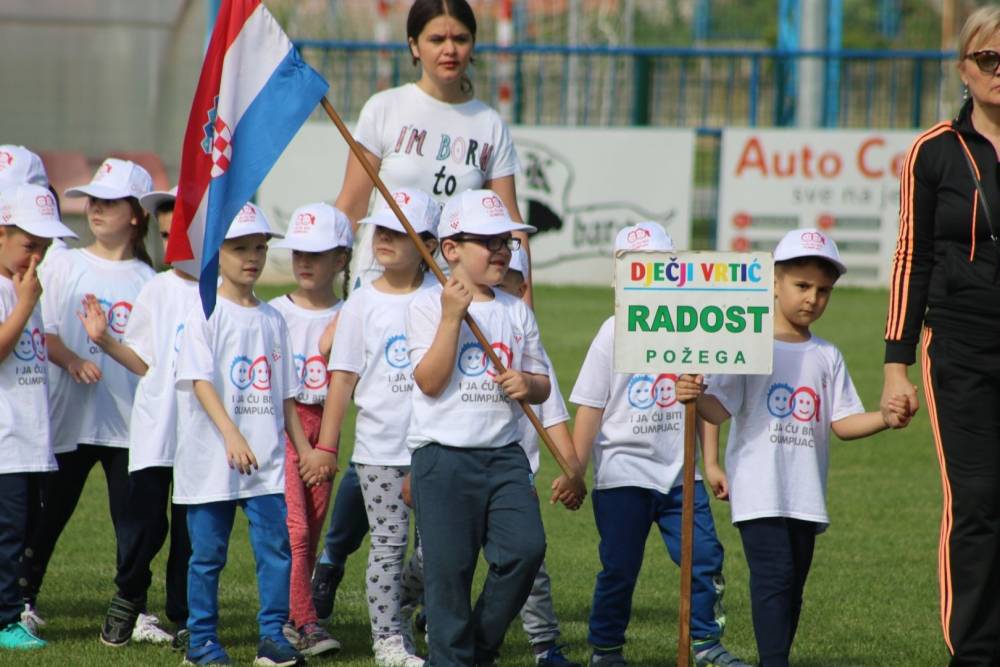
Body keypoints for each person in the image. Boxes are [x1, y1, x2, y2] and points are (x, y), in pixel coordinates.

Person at [679, 229, 910, 667]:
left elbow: (842, 422)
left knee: (793, 588)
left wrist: (885, 417)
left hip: (805, 495)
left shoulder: (828, 355)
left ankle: (776, 658)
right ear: (774, 283)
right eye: (802, 286)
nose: (812, 299)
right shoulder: (749, 343)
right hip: (758, 488)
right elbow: (718, 410)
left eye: (823, 291)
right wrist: (693, 394)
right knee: (774, 579)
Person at [568, 222, 748, 667]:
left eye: (657, 266)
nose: (645, 276)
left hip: (681, 474)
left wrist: (711, 461)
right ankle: (606, 649)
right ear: (619, 274)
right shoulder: (613, 331)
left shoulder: (692, 326)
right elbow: (591, 406)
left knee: (704, 557)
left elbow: (709, 409)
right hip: (622, 474)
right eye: (634, 267)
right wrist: (573, 470)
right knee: (620, 568)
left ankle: (706, 644)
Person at [881, 7, 1000, 664]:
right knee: (978, 499)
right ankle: (976, 651)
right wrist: (896, 364)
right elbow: (911, 257)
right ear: (964, 67)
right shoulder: (933, 151)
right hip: (960, 347)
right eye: (989, 59)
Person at [172, 203, 334, 666]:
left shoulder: (272, 318)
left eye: (260, 248)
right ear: (217, 253)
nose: (252, 257)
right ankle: (201, 640)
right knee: (207, 555)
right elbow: (199, 380)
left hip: (265, 462)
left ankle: (272, 637)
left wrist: (303, 450)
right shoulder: (204, 309)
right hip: (211, 459)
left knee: (275, 551)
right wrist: (230, 435)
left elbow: (284, 394)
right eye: (240, 247)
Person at [406, 188, 547, 666]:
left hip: (504, 455)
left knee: (526, 550)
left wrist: (527, 383)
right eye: (488, 241)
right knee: (449, 576)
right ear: (451, 249)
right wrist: (451, 319)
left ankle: (480, 645)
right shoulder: (427, 305)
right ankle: (451, 656)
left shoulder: (516, 310)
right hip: (443, 456)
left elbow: (543, 383)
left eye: (506, 240)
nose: (502, 250)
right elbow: (428, 381)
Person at [20, 158, 156, 634]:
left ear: (137, 214)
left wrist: (106, 345)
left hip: (126, 425)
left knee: (134, 524)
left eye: (110, 201)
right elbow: (45, 332)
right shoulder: (65, 262)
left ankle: (134, 606)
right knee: (47, 516)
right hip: (70, 421)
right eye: (93, 199)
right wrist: (73, 361)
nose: (95, 208)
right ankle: (23, 600)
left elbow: (151, 357)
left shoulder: (149, 281)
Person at [318, 188, 440, 667]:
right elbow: (342, 376)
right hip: (378, 449)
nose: (383, 239)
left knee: (437, 553)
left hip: (435, 446)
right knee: (388, 545)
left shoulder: (442, 299)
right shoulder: (362, 302)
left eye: (398, 231)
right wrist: (327, 446)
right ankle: (388, 640)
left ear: (426, 242)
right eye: (379, 230)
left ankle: (401, 603)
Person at [333, 0, 527, 291]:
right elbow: (349, 209)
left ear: (473, 44)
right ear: (414, 46)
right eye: (436, 39)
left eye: (460, 39)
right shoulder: (384, 108)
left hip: (457, 291)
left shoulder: (490, 123)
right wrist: (331, 292)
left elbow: (511, 224)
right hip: (380, 284)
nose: (450, 49)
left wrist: (525, 311)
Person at [76, 186, 196, 647]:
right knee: (144, 523)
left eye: (181, 234)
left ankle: (187, 616)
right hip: (156, 428)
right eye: (165, 235)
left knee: (191, 531)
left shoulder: (221, 292)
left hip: (200, 433)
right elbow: (145, 362)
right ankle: (128, 595)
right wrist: (105, 340)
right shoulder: (157, 289)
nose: (172, 245)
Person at [495, 248, 586, 667]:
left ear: (522, 288)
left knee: (530, 565)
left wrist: (572, 471)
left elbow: (552, 417)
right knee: (430, 562)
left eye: (509, 279)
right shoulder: (458, 333)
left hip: (516, 478)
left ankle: (545, 645)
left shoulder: (533, 355)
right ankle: (405, 610)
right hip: (459, 474)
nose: (498, 286)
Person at [268, 202, 352, 658]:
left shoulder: (351, 314)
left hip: (326, 431)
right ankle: (306, 623)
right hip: (285, 427)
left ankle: (283, 615)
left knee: (310, 533)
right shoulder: (273, 311)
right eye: (298, 251)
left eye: (316, 254)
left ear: (340, 260)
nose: (304, 262)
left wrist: (326, 444)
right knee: (295, 531)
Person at [0, 184, 77, 650]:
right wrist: (26, 302)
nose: (36, 258)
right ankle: (6, 619)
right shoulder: (16, 292)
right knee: (8, 533)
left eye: (44, 249)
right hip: (5, 438)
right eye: (29, 246)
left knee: (25, 527)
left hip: (29, 437)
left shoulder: (24, 285)